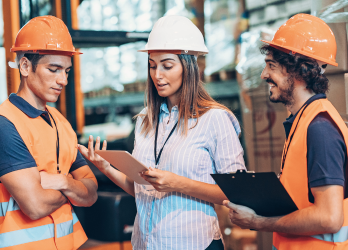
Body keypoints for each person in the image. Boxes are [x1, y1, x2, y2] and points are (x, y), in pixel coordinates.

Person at [79, 15, 245, 250]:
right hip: (146, 243)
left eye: (167, 66)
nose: (157, 75)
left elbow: (238, 193)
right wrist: (106, 168)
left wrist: (178, 183)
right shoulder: (146, 120)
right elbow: (142, 190)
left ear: (188, 67)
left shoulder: (214, 119)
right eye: (152, 65)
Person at [223, 14, 348, 250]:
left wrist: (258, 222)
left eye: (272, 66)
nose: (263, 75)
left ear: (299, 71)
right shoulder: (303, 119)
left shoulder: (319, 129)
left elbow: (329, 218)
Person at [0, 16, 98, 250]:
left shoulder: (60, 122)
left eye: (66, 71)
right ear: (25, 66)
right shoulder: (6, 124)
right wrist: (74, 188)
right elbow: (35, 205)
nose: (63, 80)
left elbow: (92, 192)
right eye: (53, 70)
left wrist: (60, 181)